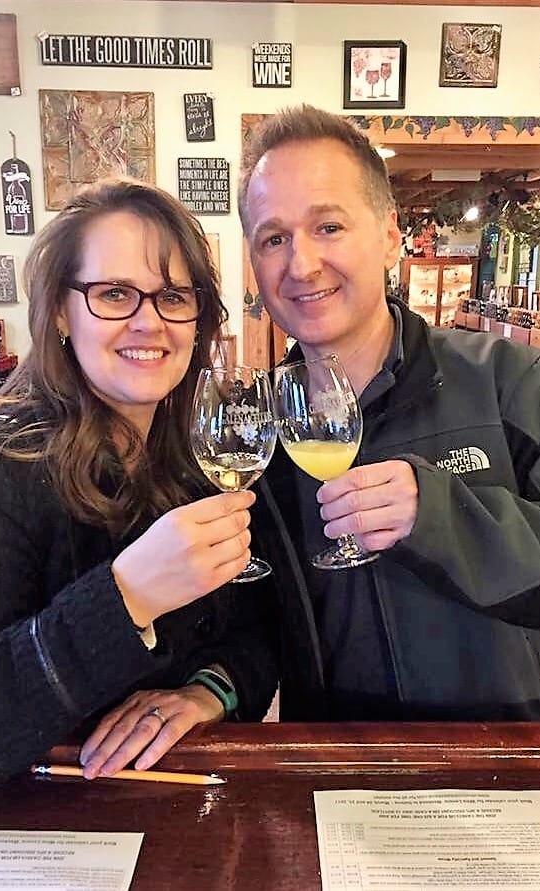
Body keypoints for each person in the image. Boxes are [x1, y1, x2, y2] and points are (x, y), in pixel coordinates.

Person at [0, 178, 279, 809]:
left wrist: (209, 690)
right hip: (29, 837)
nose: (150, 321)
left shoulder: (196, 464)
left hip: (178, 818)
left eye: (172, 296)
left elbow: (256, 626)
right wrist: (124, 598)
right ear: (60, 309)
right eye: (114, 294)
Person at [238, 104, 540, 722]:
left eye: (328, 227)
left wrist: (442, 514)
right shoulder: (256, 429)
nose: (301, 265)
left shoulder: (505, 379)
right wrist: (210, 684)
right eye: (274, 238)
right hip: (330, 772)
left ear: (389, 234)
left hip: (503, 773)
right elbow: (251, 623)